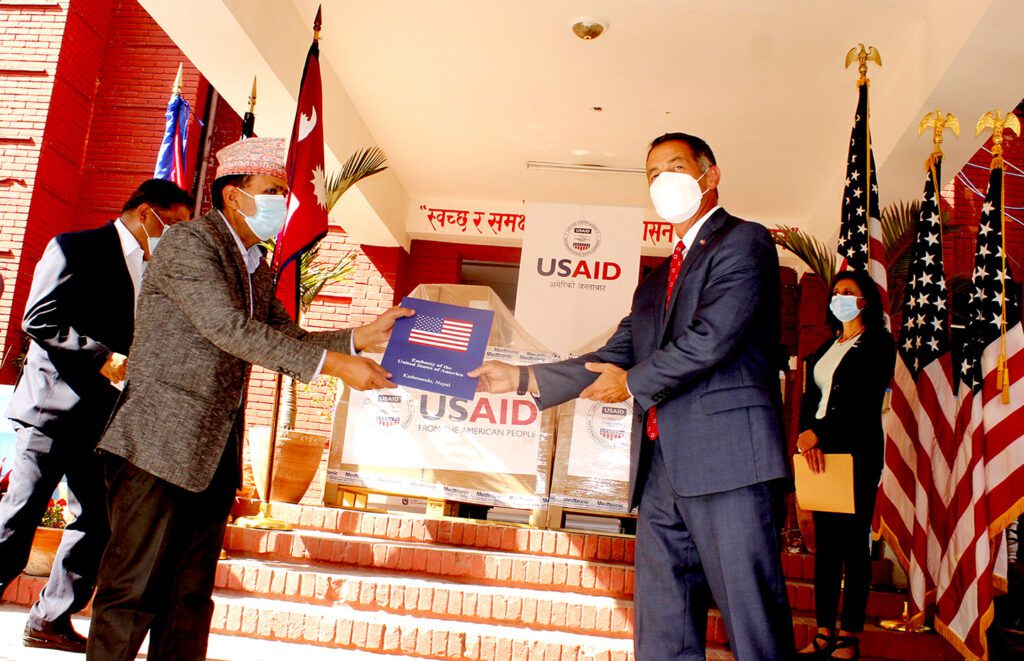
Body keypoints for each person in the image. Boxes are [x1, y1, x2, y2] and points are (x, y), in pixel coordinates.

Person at [85, 137, 411, 661]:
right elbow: (228, 328)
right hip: (157, 445)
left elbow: (287, 337)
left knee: (189, 598)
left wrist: (359, 338)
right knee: (132, 592)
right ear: (233, 196)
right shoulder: (189, 243)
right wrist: (336, 367)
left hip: (212, 454)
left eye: (283, 191)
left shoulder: (255, 265)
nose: (282, 202)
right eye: (272, 190)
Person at [471, 132, 794, 660]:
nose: (663, 182)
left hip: (730, 461)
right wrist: (523, 379)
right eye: (653, 175)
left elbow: (713, 337)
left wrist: (633, 383)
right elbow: (614, 353)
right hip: (661, 468)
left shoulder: (745, 241)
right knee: (663, 626)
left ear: (710, 175)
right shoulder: (655, 281)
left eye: (675, 168)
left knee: (752, 619)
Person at [0, 179, 194, 652]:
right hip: (51, 411)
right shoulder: (75, 247)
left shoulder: (155, 271)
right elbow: (39, 318)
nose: (176, 238)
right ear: (146, 213)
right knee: (19, 517)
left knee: (96, 523)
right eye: (173, 225)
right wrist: (100, 356)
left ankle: (49, 619)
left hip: (105, 420)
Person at [795, 270, 894, 660]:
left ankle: (849, 635)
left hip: (856, 454)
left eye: (849, 292)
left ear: (865, 300)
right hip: (818, 454)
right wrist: (806, 435)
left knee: (853, 544)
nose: (840, 297)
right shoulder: (826, 347)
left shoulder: (878, 343)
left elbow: (862, 400)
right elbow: (811, 399)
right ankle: (823, 631)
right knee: (827, 547)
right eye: (836, 292)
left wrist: (819, 433)